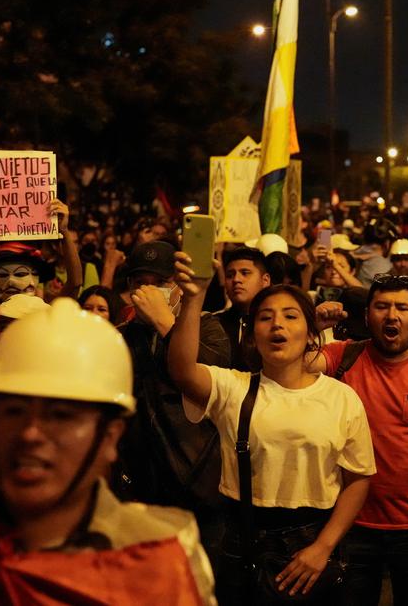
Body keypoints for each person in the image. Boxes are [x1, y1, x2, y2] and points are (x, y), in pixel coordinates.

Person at [0, 298, 216, 604]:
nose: (30, 433)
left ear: (110, 437)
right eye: (14, 411)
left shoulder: (157, 554)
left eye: (60, 416)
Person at [168, 260, 375, 603]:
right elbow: (182, 371)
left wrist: (324, 546)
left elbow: (358, 479)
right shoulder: (234, 388)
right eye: (265, 317)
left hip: (313, 537)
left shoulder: (341, 397)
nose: (277, 324)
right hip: (242, 539)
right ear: (252, 336)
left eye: (291, 316)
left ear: (311, 334)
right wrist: (194, 298)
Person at [311, 274, 408, 606]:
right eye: (382, 306)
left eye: (402, 308)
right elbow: (290, 366)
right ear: (367, 315)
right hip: (350, 526)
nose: (392, 316)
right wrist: (312, 326)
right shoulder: (342, 357)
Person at [113, 240, 230, 596]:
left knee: (197, 587)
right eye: (140, 282)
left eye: (159, 282)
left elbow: (213, 377)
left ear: (178, 286)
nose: (148, 291)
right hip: (140, 488)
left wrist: (166, 322)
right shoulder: (121, 337)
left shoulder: (208, 327)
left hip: (198, 486)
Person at [217, 246, 272, 371]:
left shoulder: (278, 323)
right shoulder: (214, 324)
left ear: (265, 280)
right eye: (230, 275)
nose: (236, 279)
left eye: (245, 273)